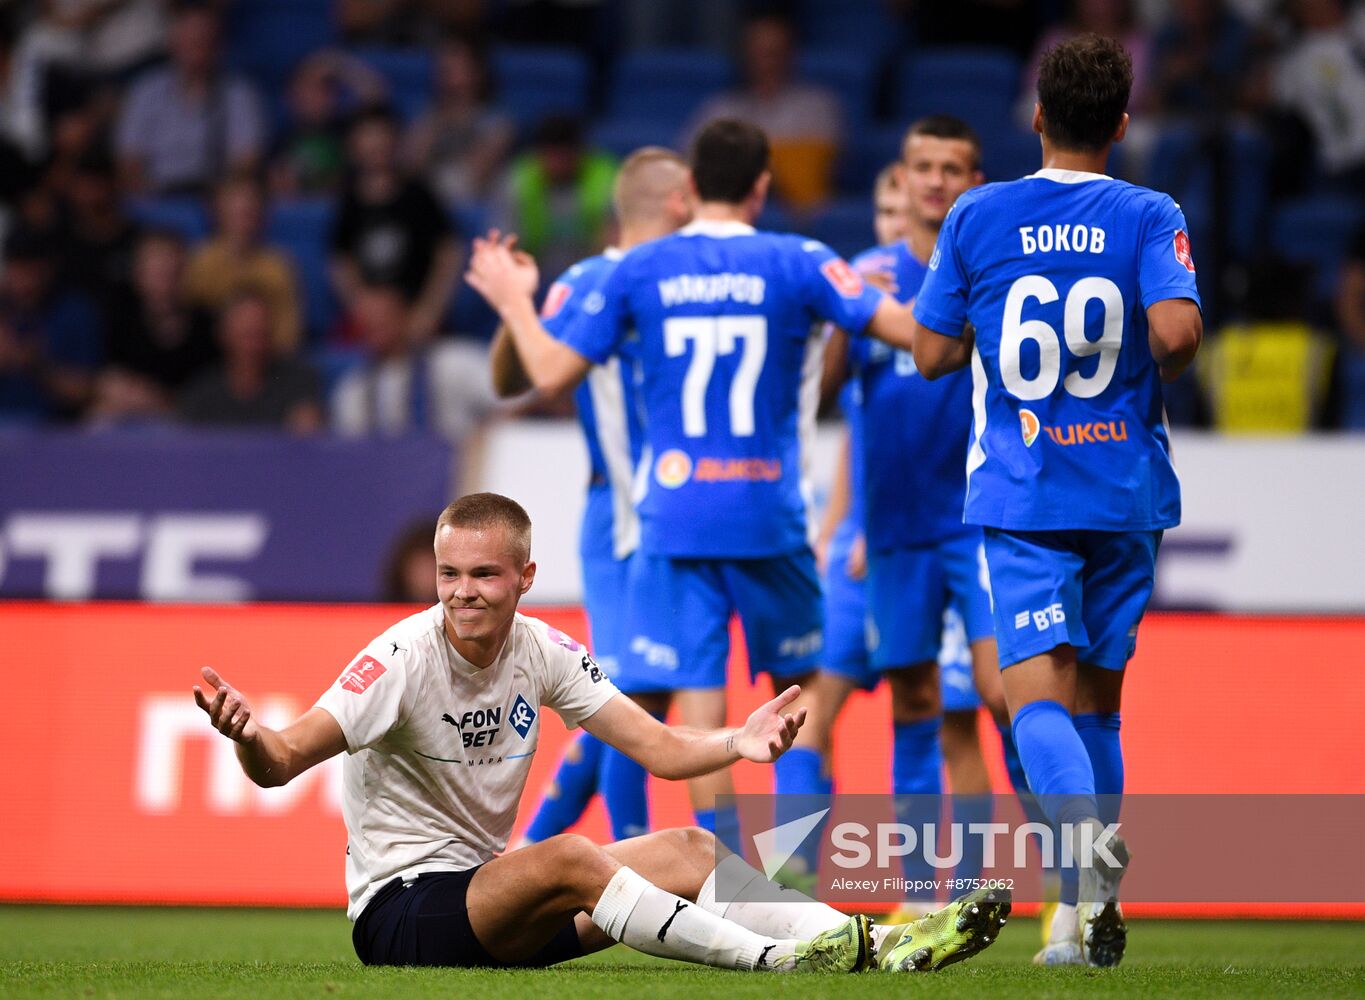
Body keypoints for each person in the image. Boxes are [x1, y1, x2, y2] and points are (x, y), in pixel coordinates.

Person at [192, 492, 1012, 971]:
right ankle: (778, 963)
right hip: (402, 914)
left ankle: (864, 947)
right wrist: (244, 734)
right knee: (571, 857)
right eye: (449, 575)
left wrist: (736, 742)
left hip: (492, 899)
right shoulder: (399, 658)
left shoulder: (543, 649)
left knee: (689, 847)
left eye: (483, 574)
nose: (462, 593)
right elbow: (283, 758)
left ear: (525, 578)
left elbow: (654, 746)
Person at [466, 118, 931, 900]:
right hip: (761, 515)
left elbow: (540, 372)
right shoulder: (798, 260)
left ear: (690, 190)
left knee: (680, 708)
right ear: (761, 184)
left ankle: (728, 889)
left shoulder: (633, 272)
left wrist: (515, 299)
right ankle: (784, 878)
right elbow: (913, 335)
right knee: (795, 697)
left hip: (668, 518)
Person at [909, 34, 1203, 967]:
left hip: (1025, 491)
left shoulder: (977, 214)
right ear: (1120, 124)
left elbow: (928, 354)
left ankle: (1081, 865)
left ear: (1034, 116)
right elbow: (1176, 338)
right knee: (1099, 714)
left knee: (1031, 701)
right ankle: (1075, 926)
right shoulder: (1149, 212)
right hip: (1123, 490)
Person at [821, 117, 1018, 912]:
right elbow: (831, 389)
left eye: (953, 167)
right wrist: (845, 320)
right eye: (921, 167)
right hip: (896, 529)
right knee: (913, 701)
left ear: (973, 180)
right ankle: (918, 894)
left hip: (978, 519)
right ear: (899, 180)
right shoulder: (863, 275)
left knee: (1005, 695)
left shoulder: (997, 272)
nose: (935, 181)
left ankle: (1071, 884)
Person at [492, 147, 694, 850]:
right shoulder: (589, 281)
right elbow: (512, 376)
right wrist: (514, 306)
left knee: (640, 701)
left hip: (672, 519)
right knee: (626, 702)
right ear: (678, 202)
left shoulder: (686, 278)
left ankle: (523, 857)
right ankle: (626, 856)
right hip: (624, 519)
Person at [330, 107, 462, 345]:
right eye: (368, 136)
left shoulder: (420, 195)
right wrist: (363, 308)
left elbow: (448, 254)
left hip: (417, 314)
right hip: (370, 318)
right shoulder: (348, 201)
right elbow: (341, 263)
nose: (376, 144)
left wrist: (428, 311)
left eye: (382, 135)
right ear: (354, 145)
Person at [684, 14, 842, 212]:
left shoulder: (818, 107)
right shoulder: (719, 109)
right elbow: (689, 165)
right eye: (758, 53)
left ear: (792, 55)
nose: (767, 62)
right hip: (729, 215)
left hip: (801, 218)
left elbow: (823, 175)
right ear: (744, 56)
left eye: (775, 53)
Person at [114, 2, 267, 196]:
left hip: (215, 196)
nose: (198, 51)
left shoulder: (240, 94)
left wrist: (221, 195)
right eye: (191, 42)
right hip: (156, 195)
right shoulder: (146, 91)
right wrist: (150, 194)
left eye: (205, 42)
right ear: (174, 43)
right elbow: (129, 162)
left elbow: (245, 162)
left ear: (220, 46)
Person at [329, 282, 497, 443]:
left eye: (384, 319)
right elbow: (352, 454)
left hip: (461, 464)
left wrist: (483, 437)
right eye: (368, 322)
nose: (376, 326)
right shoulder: (353, 390)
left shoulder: (453, 361)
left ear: (406, 316)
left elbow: (516, 400)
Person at [184, 172, 303, 356]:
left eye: (250, 209)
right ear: (218, 211)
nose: (244, 214)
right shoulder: (199, 263)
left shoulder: (278, 266)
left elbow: (287, 336)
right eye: (236, 209)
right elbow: (188, 327)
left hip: (266, 364)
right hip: (212, 365)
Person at [178, 289, 322, 432]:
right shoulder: (201, 394)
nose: (254, 347)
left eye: (260, 335)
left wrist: (306, 427)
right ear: (223, 335)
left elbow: (309, 438)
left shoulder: (299, 382)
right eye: (247, 336)